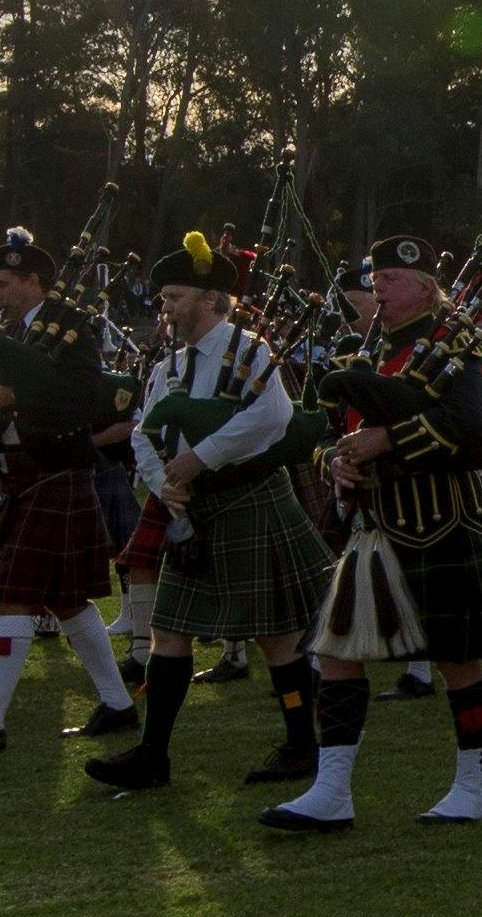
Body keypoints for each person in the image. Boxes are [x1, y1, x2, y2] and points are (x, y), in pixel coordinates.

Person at [283, 240, 482, 832]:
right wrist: (333, 463)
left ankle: (474, 787)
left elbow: (469, 421)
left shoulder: (455, 342)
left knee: (456, 659)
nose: (377, 288)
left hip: (442, 519)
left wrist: (387, 442)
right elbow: (329, 431)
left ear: (422, 284)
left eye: (389, 278)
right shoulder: (363, 350)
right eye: (375, 278)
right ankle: (331, 790)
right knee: (337, 654)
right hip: (373, 523)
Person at [96, 230, 334, 794]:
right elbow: (144, 434)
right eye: (163, 298)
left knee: (277, 635)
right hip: (191, 511)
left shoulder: (250, 350)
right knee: (168, 631)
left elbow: (271, 418)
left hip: (250, 500)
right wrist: (165, 486)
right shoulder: (169, 365)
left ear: (210, 299)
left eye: (175, 296)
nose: (166, 307)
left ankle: (302, 742)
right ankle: (153, 755)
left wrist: (199, 460)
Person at [0, 229, 135, 755]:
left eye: (4, 284)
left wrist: (15, 396)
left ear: (32, 281)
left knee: (10, 595)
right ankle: (118, 705)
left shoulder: (72, 327)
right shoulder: (11, 333)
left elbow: (85, 398)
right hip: (19, 474)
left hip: (55, 470)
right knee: (67, 602)